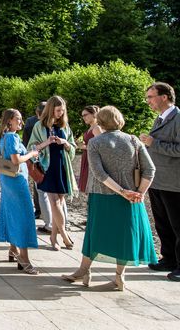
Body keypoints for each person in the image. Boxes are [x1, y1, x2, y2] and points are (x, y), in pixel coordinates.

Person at [63, 106, 157, 290]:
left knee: (95, 233)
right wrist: (139, 193)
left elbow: (99, 173)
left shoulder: (95, 143)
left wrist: (122, 191)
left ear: (101, 121)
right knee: (125, 235)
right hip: (131, 198)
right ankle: (119, 276)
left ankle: (83, 271)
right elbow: (150, 169)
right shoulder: (133, 140)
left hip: (103, 195)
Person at [140, 82, 180, 282]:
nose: (148, 101)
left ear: (164, 97)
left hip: (174, 182)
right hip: (157, 181)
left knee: (178, 225)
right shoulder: (160, 118)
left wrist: (154, 143)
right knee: (162, 223)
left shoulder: (178, 118)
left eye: (150, 97)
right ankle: (169, 259)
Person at [0, 109, 46, 275]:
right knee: (24, 216)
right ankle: (24, 259)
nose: (21, 122)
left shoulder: (5, 136)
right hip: (16, 181)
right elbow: (16, 160)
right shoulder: (12, 136)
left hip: (8, 179)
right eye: (18, 119)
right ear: (9, 120)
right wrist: (32, 153)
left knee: (12, 212)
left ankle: (13, 250)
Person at [28, 95, 77, 251]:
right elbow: (32, 149)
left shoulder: (65, 126)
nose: (60, 114)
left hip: (62, 167)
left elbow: (73, 148)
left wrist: (65, 143)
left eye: (62, 111)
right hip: (47, 168)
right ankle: (64, 235)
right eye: (57, 110)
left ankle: (53, 237)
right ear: (50, 109)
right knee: (54, 203)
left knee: (60, 203)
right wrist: (47, 142)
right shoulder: (39, 126)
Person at [78, 105, 102, 193]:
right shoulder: (90, 128)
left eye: (85, 115)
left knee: (92, 186)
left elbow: (100, 147)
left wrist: (84, 147)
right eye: (82, 116)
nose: (83, 117)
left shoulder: (97, 128)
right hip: (87, 158)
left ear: (94, 114)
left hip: (93, 160)